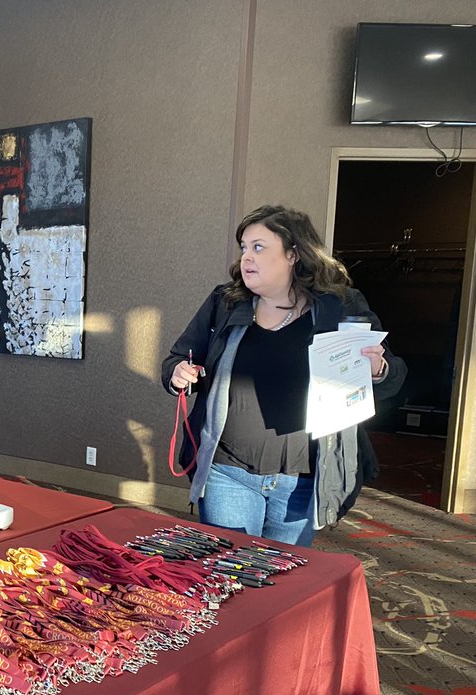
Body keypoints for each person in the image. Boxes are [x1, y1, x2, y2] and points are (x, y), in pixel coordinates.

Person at [161, 204, 405, 547]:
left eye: (259, 247)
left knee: (282, 582)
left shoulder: (339, 306)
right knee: (228, 573)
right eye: (244, 247)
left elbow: (393, 377)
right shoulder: (226, 301)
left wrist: (377, 368)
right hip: (227, 472)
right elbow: (177, 358)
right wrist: (178, 373)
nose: (247, 257)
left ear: (293, 253)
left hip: (301, 480)